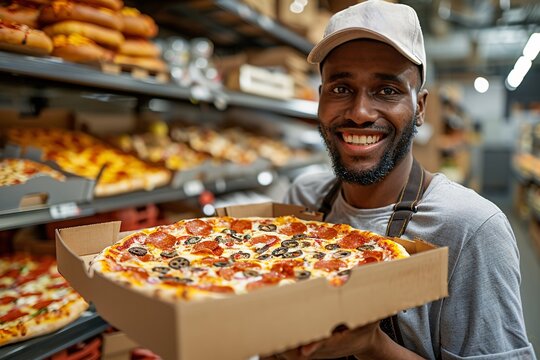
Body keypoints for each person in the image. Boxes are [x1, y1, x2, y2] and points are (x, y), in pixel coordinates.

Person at [275, 1, 537, 359]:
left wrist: (372, 344)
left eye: (387, 90)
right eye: (340, 88)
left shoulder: (470, 229)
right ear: (320, 99)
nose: (360, 113)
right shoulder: (303, 199)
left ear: (420, 108)